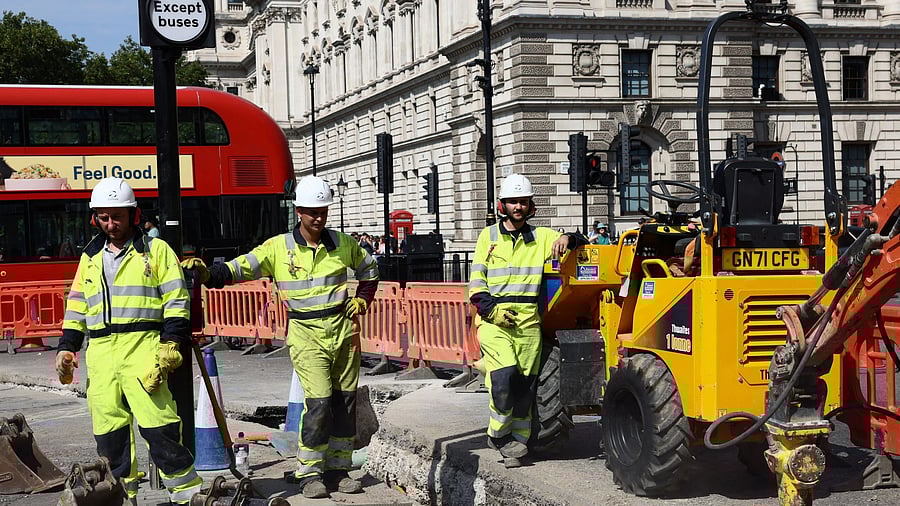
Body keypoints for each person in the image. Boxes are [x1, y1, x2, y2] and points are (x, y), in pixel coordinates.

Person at [183, 175, 379, 499]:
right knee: (318, 403)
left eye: (323, 211)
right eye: (312, 212)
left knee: (344, 403)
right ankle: (309, 472)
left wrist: (363, 298)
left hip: (343, 334)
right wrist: (209, 274)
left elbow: (370, 270)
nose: (318, 218)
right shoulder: (278, 248)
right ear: (299, 211)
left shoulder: (344, 245)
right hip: (306, 335)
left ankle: (339, 469)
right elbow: (240, 268)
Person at [55, 177, 202, 505]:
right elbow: (78, 304)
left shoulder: (156, 250)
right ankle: (122, 498)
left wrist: (171, 342)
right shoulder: (90, 256)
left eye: (117, 216)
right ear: (96, 218)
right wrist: (67, 346)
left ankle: (189, 495)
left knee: (159, 428)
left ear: (133, 215)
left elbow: (176, 299)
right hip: (102, 354)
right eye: (104, 217)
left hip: (143, 347)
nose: (111, 224)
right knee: (109, 438)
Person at [468, 173, 586, 468]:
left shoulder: (542, 237)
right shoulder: (489, 237)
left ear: (530, 205)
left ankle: (517, 444)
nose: (518, 207)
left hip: (528, 324)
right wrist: (491, 311)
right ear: (502, 205)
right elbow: (476, 283)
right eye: (512, 202)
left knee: (525, 386)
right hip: (496, 321)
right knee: (504, 376)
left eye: (522, 202)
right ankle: (498, 434)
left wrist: (567, 238)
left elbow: (579, 239)